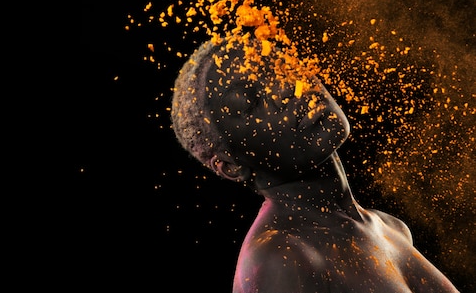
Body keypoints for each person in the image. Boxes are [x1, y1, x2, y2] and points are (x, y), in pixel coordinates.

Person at [170, 35, 460, 293]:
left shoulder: (390, 228)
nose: (287, 89)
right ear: (232, 166)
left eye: (278, 67)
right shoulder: (279, 257)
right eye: (250, 101)